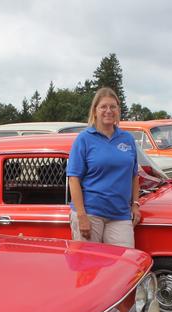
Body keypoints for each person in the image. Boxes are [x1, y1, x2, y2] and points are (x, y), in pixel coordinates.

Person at [67, 87, 140, 248]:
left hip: (120, 214)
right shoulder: (84, 139)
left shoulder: (127, 138)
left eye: (113, 107)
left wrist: (135, 204)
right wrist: (81, 216)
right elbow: (73, 179)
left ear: (118, 110)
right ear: (95, 111)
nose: (109, 111)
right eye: (103, 107)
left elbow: (135, 175)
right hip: (91, 212)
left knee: (124, 265)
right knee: (89, 267)